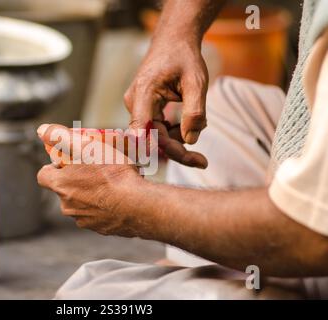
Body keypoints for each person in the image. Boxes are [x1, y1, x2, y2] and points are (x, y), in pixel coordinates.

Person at [36, 0, 328, 299]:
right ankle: (229, 275)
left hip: (310, 236)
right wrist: (176, 34)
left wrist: (132, 205)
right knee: (225, 104)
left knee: (90, 295)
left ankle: (238, 285)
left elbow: (315, 235)